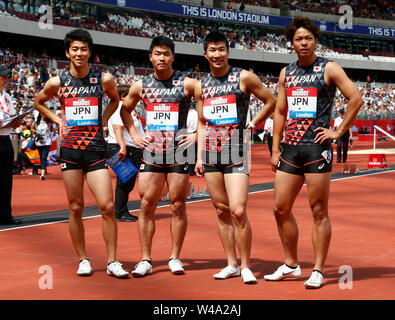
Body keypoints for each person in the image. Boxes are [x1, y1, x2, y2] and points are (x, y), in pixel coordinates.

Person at [264, 17, 363, 289]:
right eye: (299, 39)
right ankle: (291, 264)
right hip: (290, 149)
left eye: (308, 38)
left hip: (317, 148)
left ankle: (318, 269)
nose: (304, 42)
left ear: (316, 41)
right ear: (291, 44)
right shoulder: (287, 73)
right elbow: (281, 111)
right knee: (280, 208)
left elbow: (355, 99)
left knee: (318, 210)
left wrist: (338, 131)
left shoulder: (328, 68)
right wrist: (275, 148)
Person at [34, 29, 129, 278]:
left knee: (107, 206)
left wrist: (103, 121)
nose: (79, 53)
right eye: (75, 49)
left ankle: (112, 261)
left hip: (95, 149)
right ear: (67, 53)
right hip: (69, 151)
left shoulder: (103, 79)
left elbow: (114, 99)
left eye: (84, 49)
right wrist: (57, 119)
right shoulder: (58, 81)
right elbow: (38, 101)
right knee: (75, 207)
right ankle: (83, 259)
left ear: (90, 52)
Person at [194, 31, 276, 284]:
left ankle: (246, 265)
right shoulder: (200, 85)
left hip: (235, 150)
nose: (217, 54)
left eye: (221, 49)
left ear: (228, 51)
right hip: (209, 152)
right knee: (221, 211)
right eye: (212, 50)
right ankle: (231, 264)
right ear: (205, 54)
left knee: (238, 211)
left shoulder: (243, 77)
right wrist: (198, 157)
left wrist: (254, 122)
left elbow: (270, 100)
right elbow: (200, 123)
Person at [120, 35, 197, 277]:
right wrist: (133, 133)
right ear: (150, 57)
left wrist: (197, 136)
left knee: (177, 205)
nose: (161, 58)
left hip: (179, 153)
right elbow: (124, 111)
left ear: (172, 57)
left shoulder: (187, 85)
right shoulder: (140, 86)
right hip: (152, 154)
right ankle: (145, 259)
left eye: (166, 54)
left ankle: (175, 257)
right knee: (146, 205)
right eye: (157, 54)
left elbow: (208, 110)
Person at [106, 84, 144, 222]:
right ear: (123, 96)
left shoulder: (129, 109)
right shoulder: (119, 108)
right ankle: (119, 212)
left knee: (128, 181)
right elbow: (117, 128)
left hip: (129, 148)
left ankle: (121, 210)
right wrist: (122, 147)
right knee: (125, 180)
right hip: (119, 148)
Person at [0, 64, 22, 225]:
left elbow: (11, 115)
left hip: (6, 139)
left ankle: (5, 215)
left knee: (6, 180)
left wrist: (16, 121)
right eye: (3, 77)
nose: (6, 80)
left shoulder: (7, 96)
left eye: (7, 77)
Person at [34, 114, 57, 180]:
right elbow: (32, 128)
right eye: (42, 114)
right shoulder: (36, 122)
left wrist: (52, 126)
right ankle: (43, 168)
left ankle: (42, 174)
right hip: (39, 142)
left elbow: (54, 130)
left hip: (47, 142)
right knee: (41, 156)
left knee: (44, 157)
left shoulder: (49, 122)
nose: (43, 115)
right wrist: (36, 132)